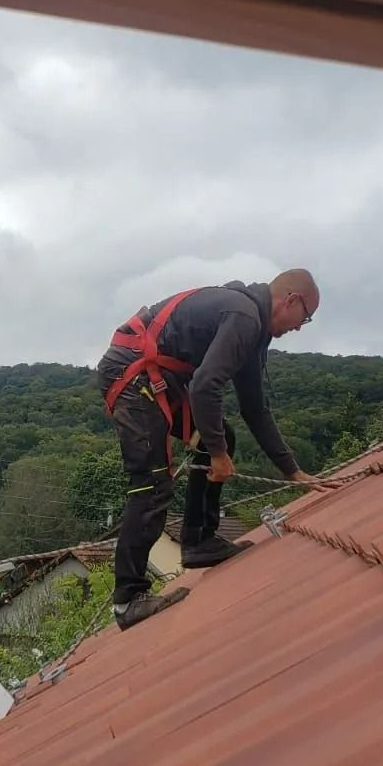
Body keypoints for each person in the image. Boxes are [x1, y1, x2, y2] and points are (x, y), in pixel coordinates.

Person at [94, 268, 325, 630]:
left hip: (157, 378)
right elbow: (204, 387)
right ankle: (128, 599)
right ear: (291, 300)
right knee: (152, 483)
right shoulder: (244, 317)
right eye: (305, 318)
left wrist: (291, 470)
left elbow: (255, 408)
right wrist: (216, 455)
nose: (299, 327)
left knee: (223, 436)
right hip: (133, 376)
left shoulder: (253, 330)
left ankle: (198, 542)